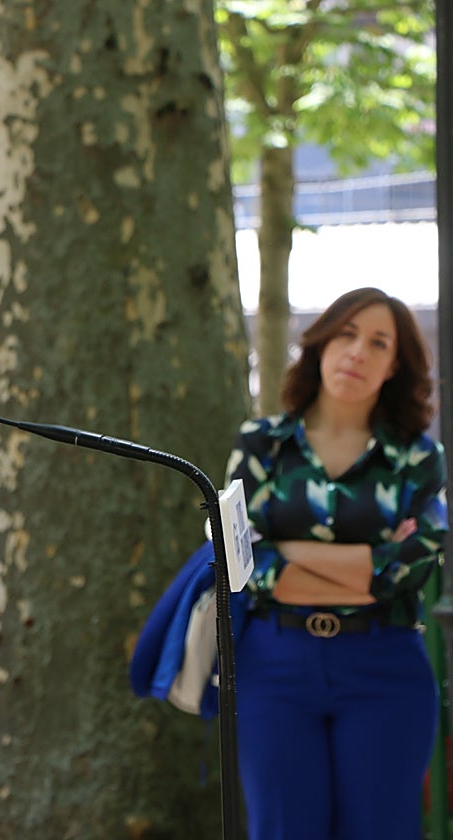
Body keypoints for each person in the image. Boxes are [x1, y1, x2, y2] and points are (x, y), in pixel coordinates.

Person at [225, 287, 447, 840]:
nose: (357, 352)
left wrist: (290, 552)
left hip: (385, 665)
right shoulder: (261, 446)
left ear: (394, 366)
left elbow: (410, 568)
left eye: (378, 343)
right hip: (274, 664)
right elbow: (244, 564)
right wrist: (368, 565)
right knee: (282, 830)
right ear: (321, 344)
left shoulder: (418, 458)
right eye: (346, 334)